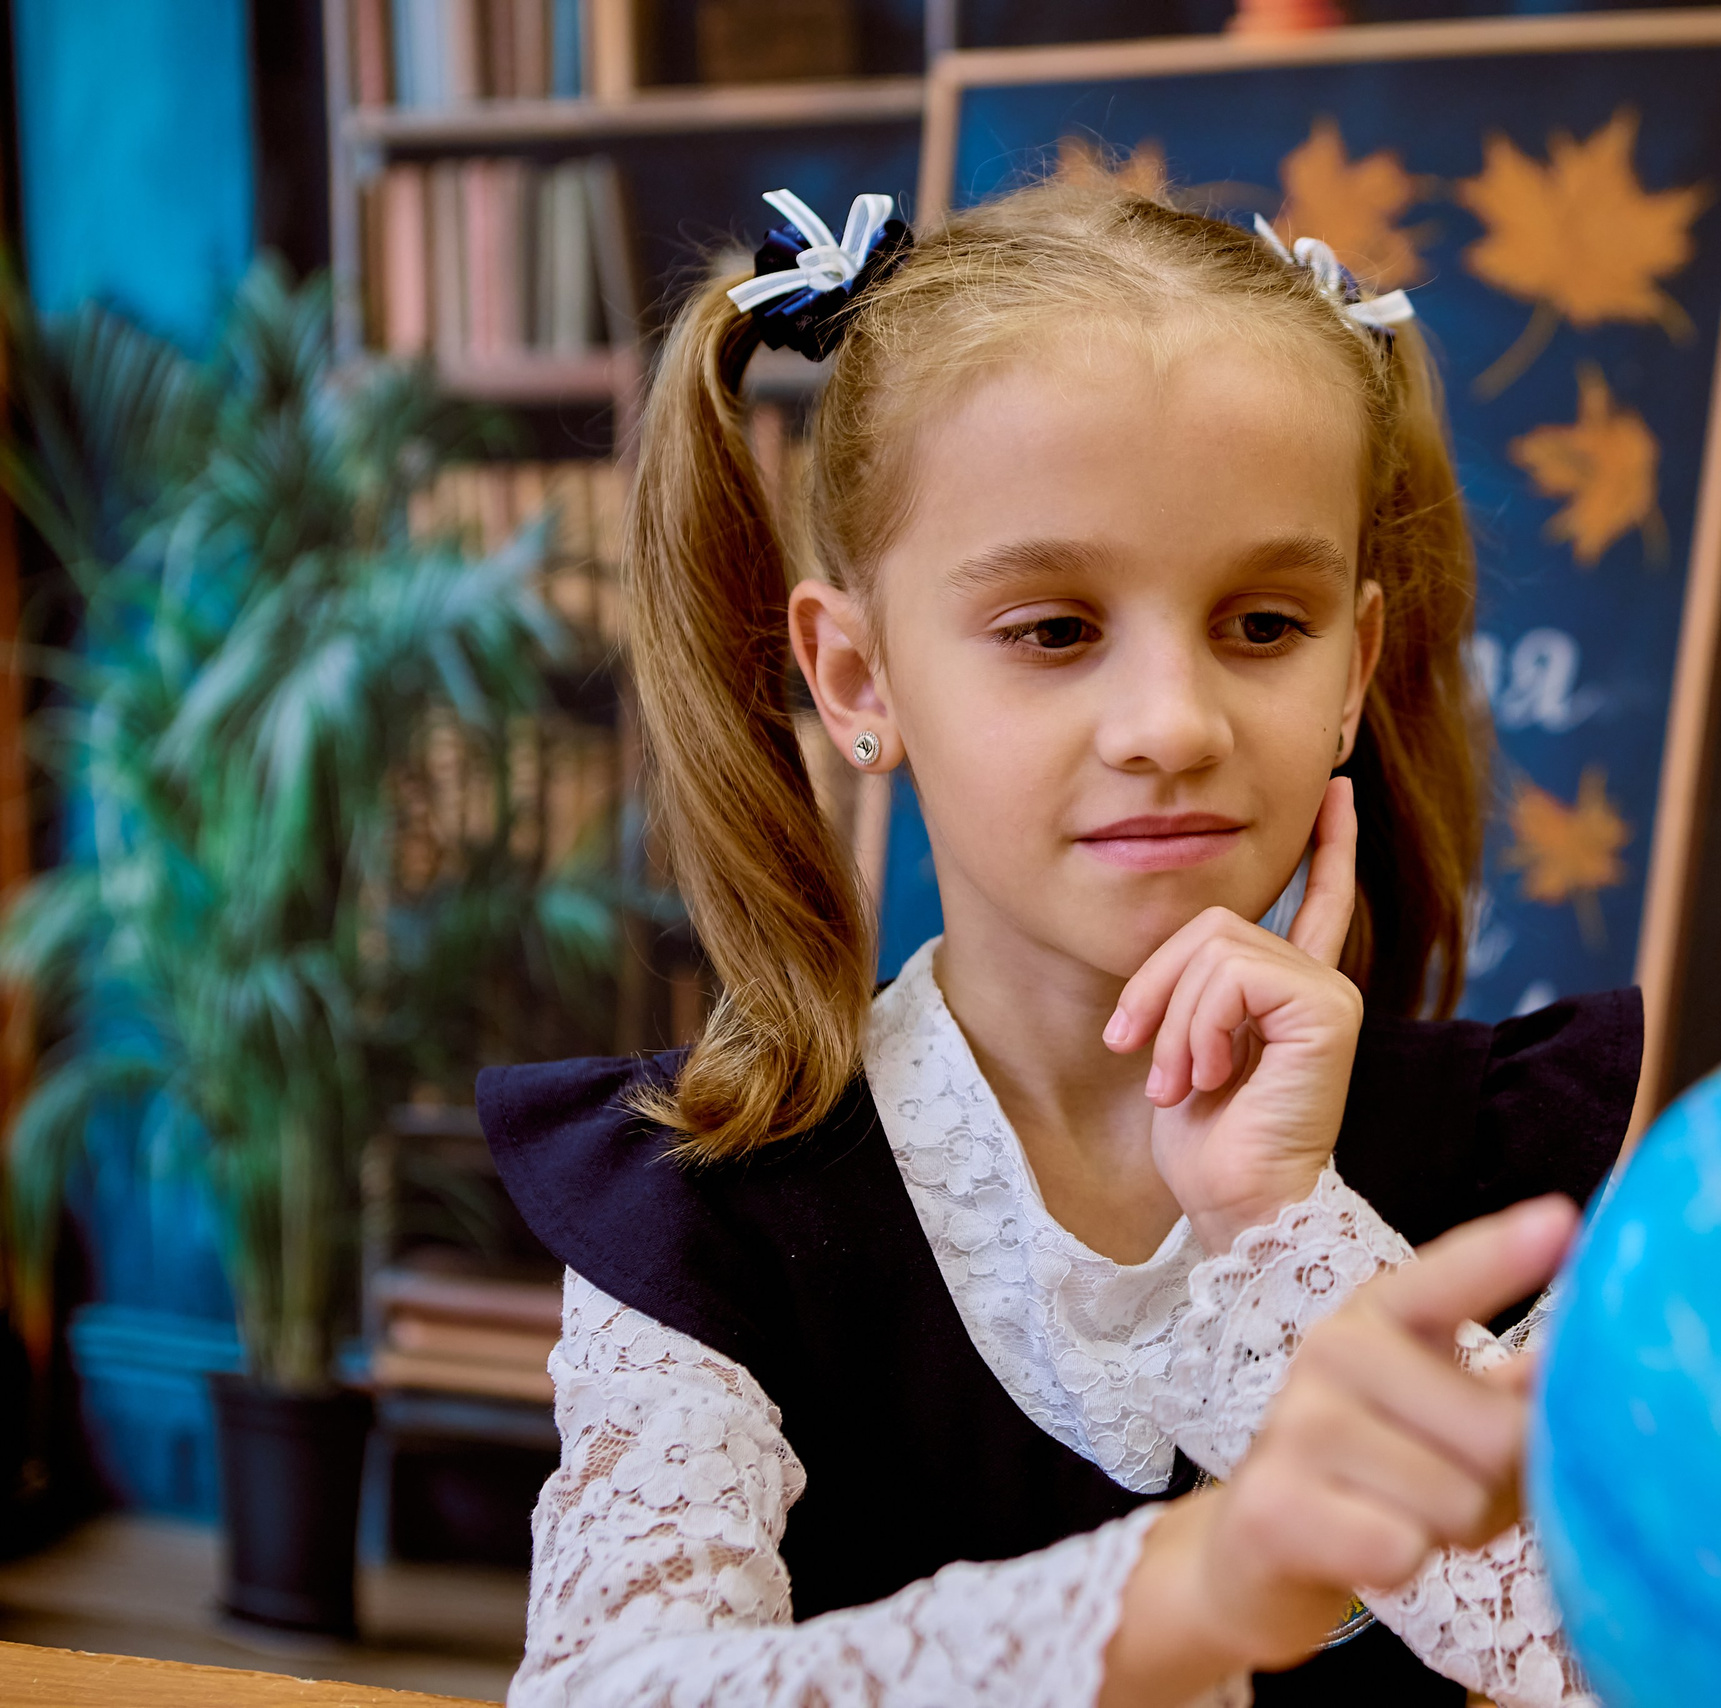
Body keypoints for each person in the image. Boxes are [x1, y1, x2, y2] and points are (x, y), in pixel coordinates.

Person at [479, 178, 1642, 1708]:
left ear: (1355, 668)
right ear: (857, 675)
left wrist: (1285, 1232)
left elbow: (1637, 1660)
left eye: (1262, 625)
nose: (1172, 725)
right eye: (1053, 630)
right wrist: (1198, 1592)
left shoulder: (1497, 1164)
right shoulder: (699, 1207)